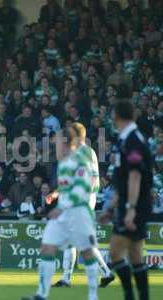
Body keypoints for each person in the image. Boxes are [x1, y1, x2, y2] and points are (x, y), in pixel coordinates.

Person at [22, 129, 99, 300]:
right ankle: (42, 294)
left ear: (65, 142)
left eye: (56, 141)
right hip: (63, 213)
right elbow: (66, 186)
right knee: (47, 247)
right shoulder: (64, 163)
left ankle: (93, 296)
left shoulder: (81, 161)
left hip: (79, 212)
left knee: (87, 252)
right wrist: (55, 195)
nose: (53, 144)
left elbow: (82, 188)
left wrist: (62, 207)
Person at [50, 122, 115, 288]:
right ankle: (102, 273)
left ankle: (71, 277)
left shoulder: (86, 151)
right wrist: (56, 193)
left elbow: (94, 179)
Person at [99, 100, 152, 300]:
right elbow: (124, 180)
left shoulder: (133, 140)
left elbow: (135, 176)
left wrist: (130, 209)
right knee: (136, 255)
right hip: (131, 203)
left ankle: (129, 295)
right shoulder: (127, 138)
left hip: (135, 205)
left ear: (117, 116)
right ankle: (142, 297)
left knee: (115, 251)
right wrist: (111, 207)